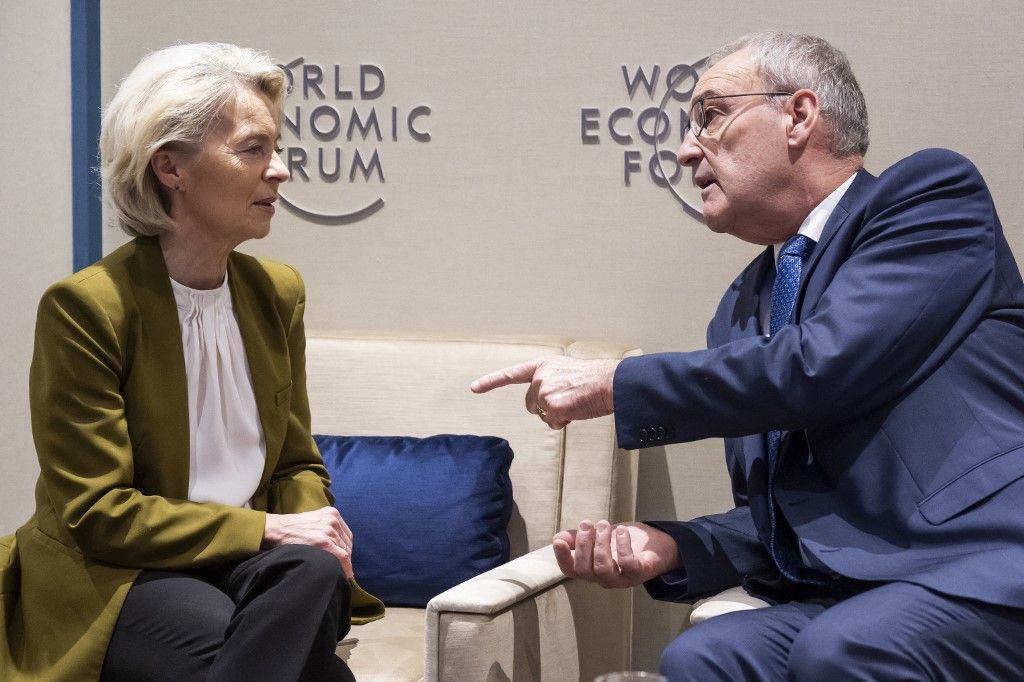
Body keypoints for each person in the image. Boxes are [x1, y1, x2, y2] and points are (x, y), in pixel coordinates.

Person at [472, 32, 1024, 680]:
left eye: (709, 116)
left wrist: (617, 384)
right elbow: (783, 513)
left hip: (977, 564)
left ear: (798, 115)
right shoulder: (738, 310)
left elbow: (821, 365)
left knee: (842, 649)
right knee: (701, 657)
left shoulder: (927, 203)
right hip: (852, 596)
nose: (685, 150)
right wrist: (673, 545)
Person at [0, 43, 383, 681]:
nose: (281, 171)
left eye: (277, 148)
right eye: (253, 149)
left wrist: (311, 527)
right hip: (122, 572)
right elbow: (98, 513)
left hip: (243, 561)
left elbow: (294, 463)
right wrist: (265, 529)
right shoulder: (87, 308)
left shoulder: (277, 292)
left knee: (313, 569)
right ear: (170, 166)